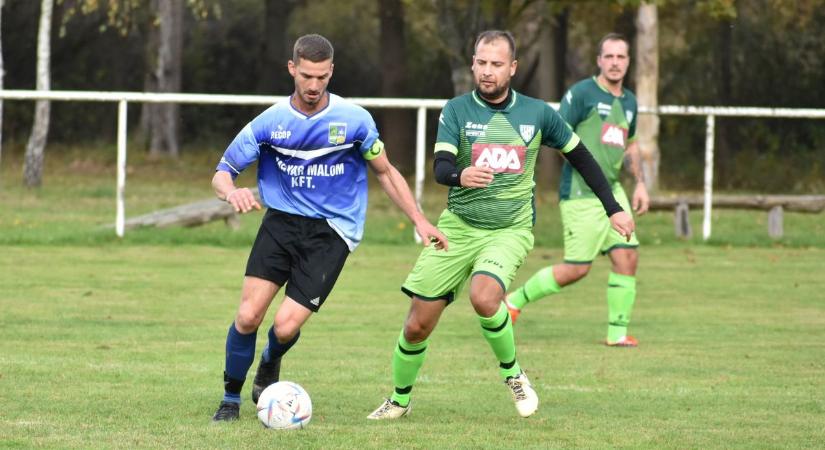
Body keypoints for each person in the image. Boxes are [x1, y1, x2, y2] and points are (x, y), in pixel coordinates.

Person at [367, 30, 635, 420]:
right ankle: (399, 400)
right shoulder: (457, 110)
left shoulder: (538, 113)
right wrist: (462, 175)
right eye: (481, 63)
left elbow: (581, 157)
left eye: (496, 64)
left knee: (485, 297)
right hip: (457, 228)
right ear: (473, 64)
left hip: (509, 230)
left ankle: (514, 376)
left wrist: (613, 208)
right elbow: (441, 168)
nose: (487, 71)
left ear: (512, 68)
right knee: (416, 326)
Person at [210, 34, 448, 422]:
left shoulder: (354, 120)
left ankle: (270, 360)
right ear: (292, 69)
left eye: (321, 76)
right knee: (248, 316)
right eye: (306, 75)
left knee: (285, 327)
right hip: (281, 223)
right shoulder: (270, 122)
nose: (314, 85)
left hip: (332, 233)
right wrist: (231, 193)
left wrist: (419, 220)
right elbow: (222, 173)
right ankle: (230, 400)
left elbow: (385, 172)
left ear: (331, 71)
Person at [505, 33, 650, 347]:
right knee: (577, 269)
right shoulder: (582, 94)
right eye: (608, 56)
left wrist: (640, 184)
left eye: (620, 57)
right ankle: (513, 302)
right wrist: (586, 168)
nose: (614, 63)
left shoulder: (629, 102)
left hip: (614, 191)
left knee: (627, 257)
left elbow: (633, 144)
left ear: (628, 62)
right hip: (581, 193)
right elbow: (558, 136)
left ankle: (617, 333)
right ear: (599, 60)